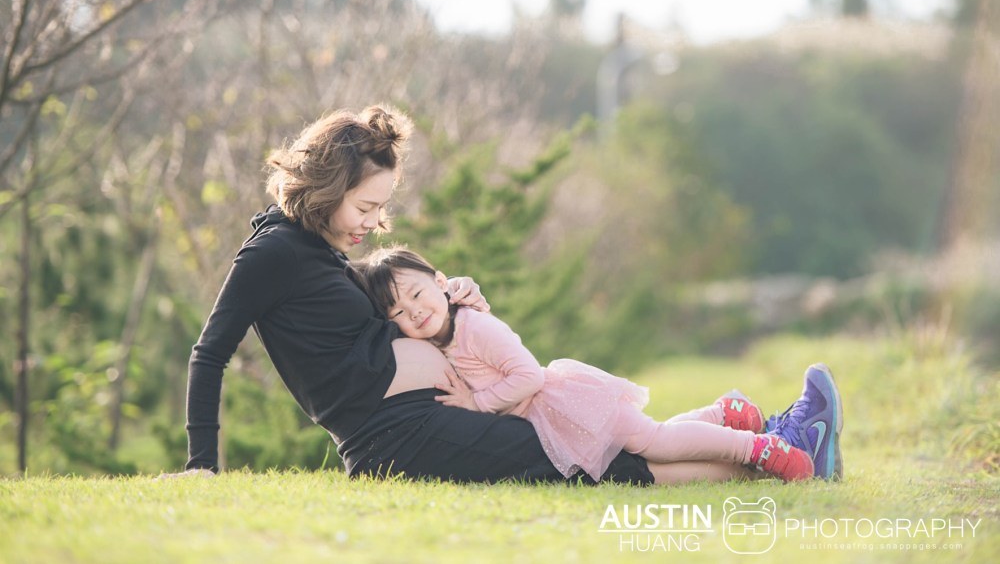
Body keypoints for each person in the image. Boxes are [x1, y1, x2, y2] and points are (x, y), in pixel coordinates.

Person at [167, 103, 842, 485]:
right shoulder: (271, 253)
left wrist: (452, 298)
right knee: (587, 466)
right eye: (368, 206)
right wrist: (202, 463)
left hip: (431, 415)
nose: (376, 222)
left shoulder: (321, 249)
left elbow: (392, 320)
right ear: (329, 185)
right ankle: (788, 450)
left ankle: (749, 429)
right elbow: (210, 352)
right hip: (395, 441)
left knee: (583, 434)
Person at [351, 247, 845, 483]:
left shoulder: (477, 327)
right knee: (648, 439)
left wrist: (475, 402)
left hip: (565, 401)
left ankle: (761, 448)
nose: (413, 311)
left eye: (417, 294)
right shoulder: (441, 334)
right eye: (398, 313)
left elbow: (530, 376)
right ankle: (724, 416)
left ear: (439, 281)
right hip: (554, 417)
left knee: (655, 442)